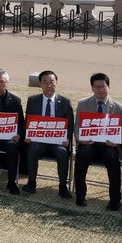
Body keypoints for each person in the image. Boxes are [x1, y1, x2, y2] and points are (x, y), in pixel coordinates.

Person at [74, 73, 122, 209]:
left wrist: (117, 142)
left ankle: (115, 200)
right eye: (97, 87)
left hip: (109, 145)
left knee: (112, 157)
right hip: (89, 144)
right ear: (92, 88)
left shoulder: (119, 107)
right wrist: (80, 139)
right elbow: (78, 125)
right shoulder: (83, 104)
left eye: (103, 86)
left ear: (109, 87)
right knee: (81, 155)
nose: (100, 89)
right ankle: (80, 196)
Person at [24, 70, 73, 198]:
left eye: (51, 81)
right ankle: (31, 182)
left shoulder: (65, 102)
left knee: (62, 152)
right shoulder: (32, 100)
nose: (48, 84)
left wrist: (67, 138)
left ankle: (63, 186)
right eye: (45, 82)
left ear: (56, 83)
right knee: (33, 147)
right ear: (40, 84)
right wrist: (27, 135)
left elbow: (70, 125)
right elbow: (28, 122)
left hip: (57, 143)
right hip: (39, 141)